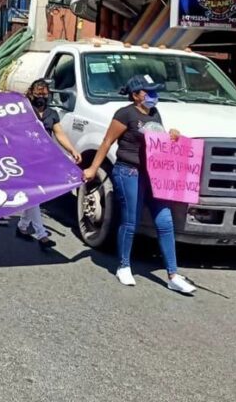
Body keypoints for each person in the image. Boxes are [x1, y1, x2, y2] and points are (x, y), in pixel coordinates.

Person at [83, 75, 196, 294]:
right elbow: (107, 142)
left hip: (155, 175)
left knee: (165, 222)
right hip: (128, 172)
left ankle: (173, 274)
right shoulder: (125, 114)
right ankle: (124, 265)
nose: (153, 95)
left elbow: (159, 141)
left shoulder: (155, 113)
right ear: (136, 95)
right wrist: (93, 168)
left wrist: (172, 135)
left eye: (154, 91)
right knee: (130, 221)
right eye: (148, 92)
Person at [11, 79, 82, 248]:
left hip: (43, 159)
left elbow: (59, 134)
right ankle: (41, 234)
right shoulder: (24, 110)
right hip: (26, 158)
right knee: (36, 194)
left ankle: (22, 226)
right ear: (31, 94)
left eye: (45, 94)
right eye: (38, 94)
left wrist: (72, 150)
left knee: (35, 195)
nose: (42, 97)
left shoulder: (52, 113)